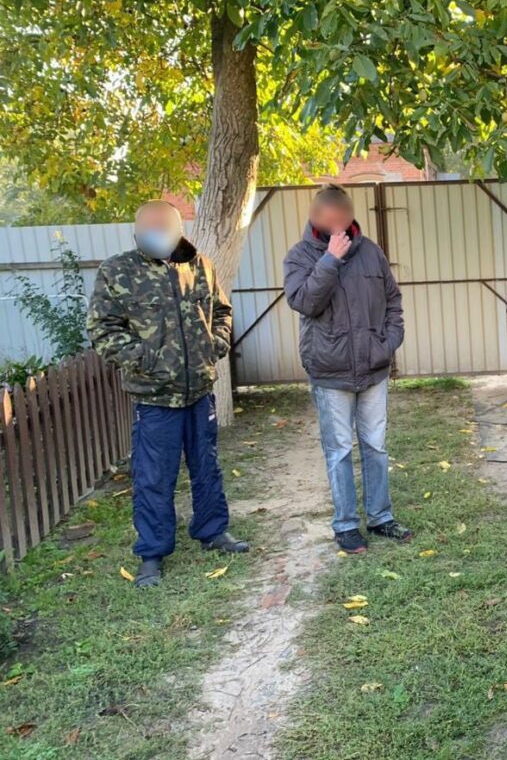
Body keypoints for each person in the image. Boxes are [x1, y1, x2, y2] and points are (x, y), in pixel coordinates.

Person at [88, 200, 249, 589]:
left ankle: (212, 531)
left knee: (206, 466)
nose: (157, 232)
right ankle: (152, 554)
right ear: (136, 230)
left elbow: (222, 311)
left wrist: (214, 346)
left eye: (164, 226)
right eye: (149, 226)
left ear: (179, 229)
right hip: (155, 397)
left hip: (200, 390)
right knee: (154, 477)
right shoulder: (118, 271)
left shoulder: (199, 265)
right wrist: (144, 361)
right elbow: (103, 329)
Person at [283, 185, 411, 555]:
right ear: (316, 218)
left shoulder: (371, 252)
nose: (339, 228)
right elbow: (304, 302)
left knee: (376, 446)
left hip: (373, 368)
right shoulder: (299, 256)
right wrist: (330, 260)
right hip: (330, 370)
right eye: (332, 222)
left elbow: (393, 301)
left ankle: (381, 517)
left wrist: (388, 342)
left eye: (345, 220)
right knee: (339, 450)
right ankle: (346, 525)